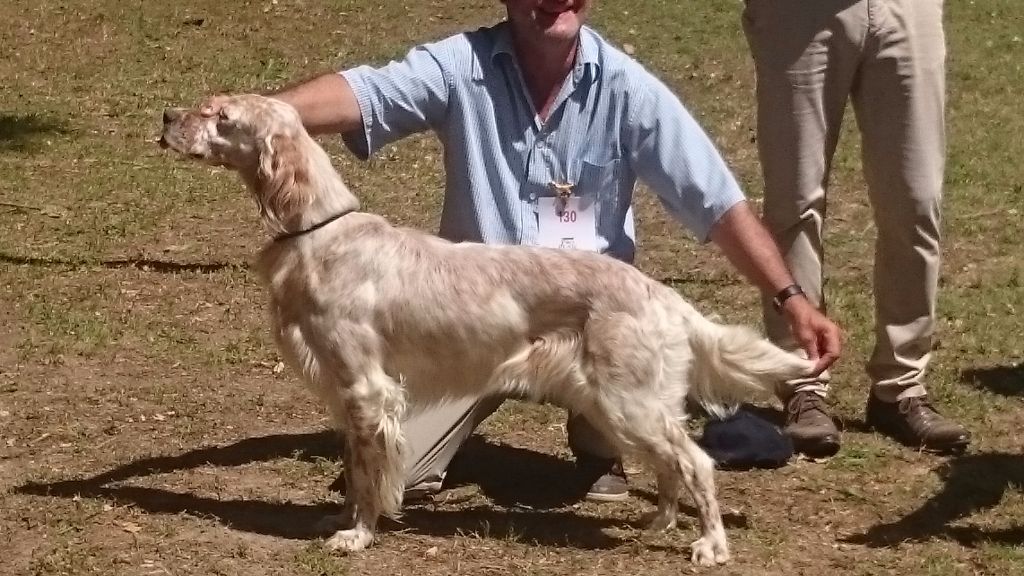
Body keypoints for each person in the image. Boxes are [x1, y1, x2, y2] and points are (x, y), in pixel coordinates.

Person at [204, 0, 841, 502]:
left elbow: (717, 204)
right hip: (465, 324)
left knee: (627, 415)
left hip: (584, 321)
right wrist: (254, 117)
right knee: (405, 470)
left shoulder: (627, 88)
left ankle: (609, 444)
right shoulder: (460, 65)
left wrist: (790, 298)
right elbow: (362, 95)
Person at [742, 0, 969, 456]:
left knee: (916, 199)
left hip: (906, 9)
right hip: (798, 15)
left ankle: (900, 386)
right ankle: (803, 381)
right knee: (795, 201)